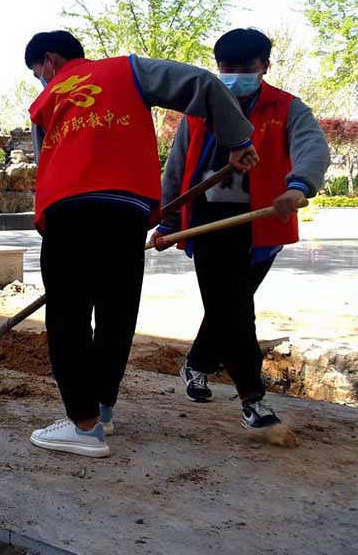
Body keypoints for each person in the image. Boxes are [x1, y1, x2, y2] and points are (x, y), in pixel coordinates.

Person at [24, 30, 259, 458]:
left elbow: (46, 167)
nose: (41, 79)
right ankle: (102, 411)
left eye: (38, 71)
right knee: (116, 310)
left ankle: (83, 426)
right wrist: (238, 140)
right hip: (127, 208)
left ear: (50, 61)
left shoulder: (47, 99)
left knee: (68, 316)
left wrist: (49, 224)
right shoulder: (128, 70)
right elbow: (201, 83)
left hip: (68, 208)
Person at [151, 28, 329, 431]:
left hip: (261, 220)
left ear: (264, 66)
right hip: (208, 221)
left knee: (229, 303)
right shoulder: (200, 110)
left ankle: (196, 364)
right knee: (234, 310)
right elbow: (178, 165)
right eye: (225, 67)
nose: (234, 74)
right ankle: (253, 399)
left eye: (245, 67)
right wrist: (168, 218)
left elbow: (313, 149)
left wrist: (298, 186)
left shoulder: (287, 108)